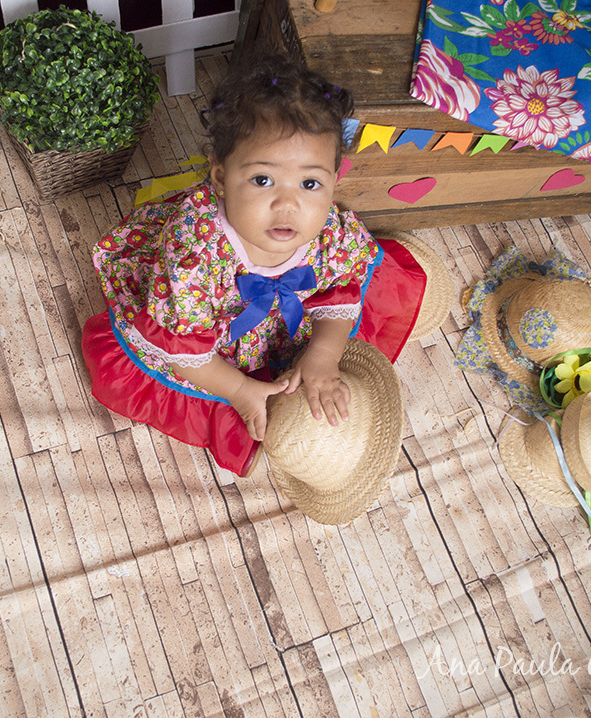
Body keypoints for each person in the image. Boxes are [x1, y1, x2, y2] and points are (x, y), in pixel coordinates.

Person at [81, 53, 427, 476]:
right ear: (221, 178)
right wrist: (242, 390)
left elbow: (342, 289)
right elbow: (184, 350)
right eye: (263, 180)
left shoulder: (330, 230)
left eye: (310, 183)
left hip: (279, 311)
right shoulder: (194, 254)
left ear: (335, 179)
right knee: (162, 366)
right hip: (202, 323)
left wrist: (322, 353)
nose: (288, 204)